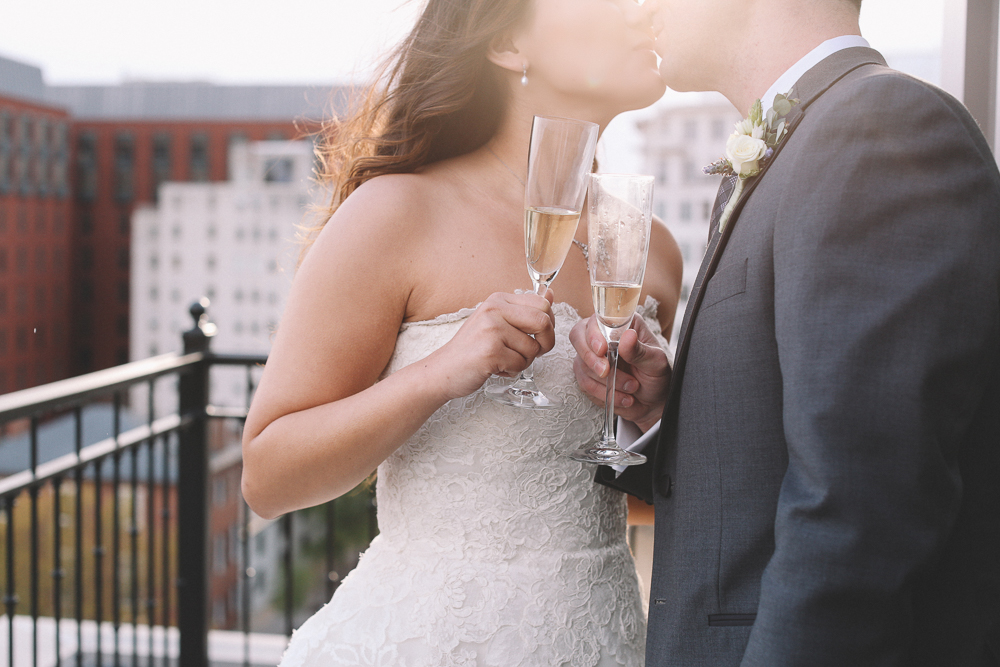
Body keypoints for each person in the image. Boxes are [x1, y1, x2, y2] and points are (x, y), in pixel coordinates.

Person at [241, 0, 683, 664]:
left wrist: (648, 413)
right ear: (507, 42)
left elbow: (637, 499)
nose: (642, 13)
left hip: (603, 638)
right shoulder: (396, 213)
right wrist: (439, 373)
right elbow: (267, 476)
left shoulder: (650, 246)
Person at [572, 0, 1000, 664]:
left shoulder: (879, 130)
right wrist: (663, 410)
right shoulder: (806, 142)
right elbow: (793, 456)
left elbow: (857, 517)